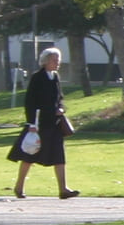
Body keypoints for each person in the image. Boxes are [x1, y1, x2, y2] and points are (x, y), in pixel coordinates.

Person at [7, 46, 78, 198]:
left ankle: (63, 189)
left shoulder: (55, 77)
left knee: (59, 156)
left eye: (58, 60)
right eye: (54, 60)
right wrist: (32, 124)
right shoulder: (37, 77)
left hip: (54, 124)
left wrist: (61, 109)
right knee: (29, 156)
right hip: (39, 125)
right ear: (45, 61)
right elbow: (30, 102)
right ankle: (19, 187)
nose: (57, 63)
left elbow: (60, 98)